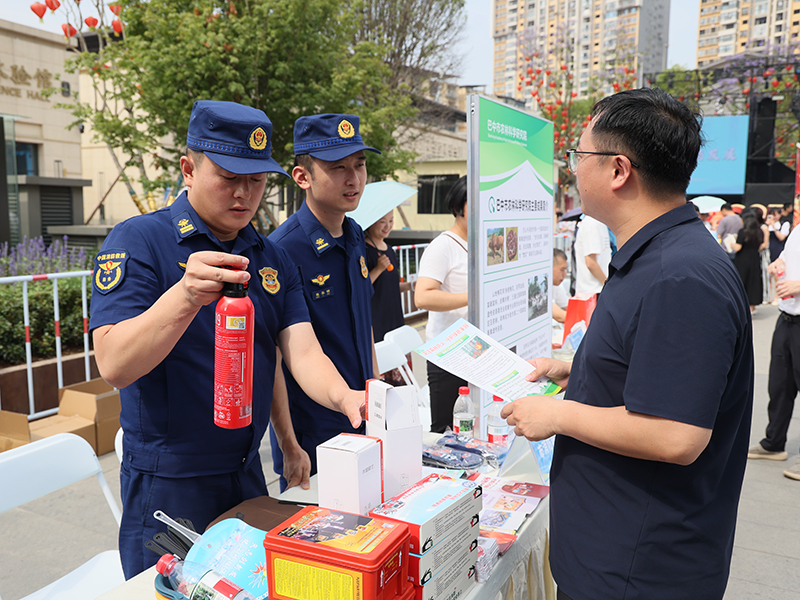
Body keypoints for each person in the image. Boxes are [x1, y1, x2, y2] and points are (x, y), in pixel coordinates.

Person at [89, 101, 365, 579]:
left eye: (256, 180)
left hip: (245, 471)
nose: (243, 193)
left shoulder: (271, 257)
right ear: (188, 169)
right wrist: (183, 297)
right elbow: (114, 364)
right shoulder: (140, 241)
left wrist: (343, 399)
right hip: (170, 482)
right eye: (228, 177)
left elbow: (299, 352)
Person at [501, 88, 753, 600]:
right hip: (616, 554)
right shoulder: (659, 255)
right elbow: (656, 368)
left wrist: (557, 415)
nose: (572, 168)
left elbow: (676, 434)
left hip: (638, 570)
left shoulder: (679, 276)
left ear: (618, 170)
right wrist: (580, 370)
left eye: (578, 154)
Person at [268, 113, 380, 492]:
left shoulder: (354, 235)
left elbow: (363, 321)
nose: (354, 179)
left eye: (359, 165)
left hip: (363, 412)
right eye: (338, 168)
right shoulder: (282, 251)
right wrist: (288, 443)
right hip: (315, 430)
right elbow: (274, 357)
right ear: (303, 177)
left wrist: (377, 387)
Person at [415, 176, 469, 433]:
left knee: (469, 425)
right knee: (445, 430)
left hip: (475, 350)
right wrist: (474, 297)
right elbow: (423, 297)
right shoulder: (443, 246)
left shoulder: (482, 243)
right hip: (448, 352)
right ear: (458, 207)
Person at [748, 225, 800, 479]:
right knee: (779, 386)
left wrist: (798, 285)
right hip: (787, 319)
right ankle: (774, 443)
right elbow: (786, 258)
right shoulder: (797, 231)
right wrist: (778, 264)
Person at [365, 210, 412, 384]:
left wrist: (410, 286)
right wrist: (378, 269)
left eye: (391, 221)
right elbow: (361, 289)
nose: (388, 226)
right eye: (382, 221)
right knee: (382, 378)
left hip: (395, 319)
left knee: (401, 378)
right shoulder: (362, 250)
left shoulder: (389, 250)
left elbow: (390, 286)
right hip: (376, 322)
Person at [732, 208, 767, 313]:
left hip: (742, 260)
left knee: (742, 281)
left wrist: (732, 244)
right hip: (755, 259)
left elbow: (738, 247)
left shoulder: (742, 232)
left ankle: (742, 306)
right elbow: (762, 245)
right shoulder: (759, 231)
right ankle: (752, 307)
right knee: (754, 282)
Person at [572, 214, 610, 295]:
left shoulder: (600, 223)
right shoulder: (591, 223)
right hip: (592, 291)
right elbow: (591, 263)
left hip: (598, 289)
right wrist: (608, 285)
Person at [551, 248, 569, 324]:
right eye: (562, 270)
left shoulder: (557, 285)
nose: (565, 274)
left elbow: (568, 307)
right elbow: (560, 316)